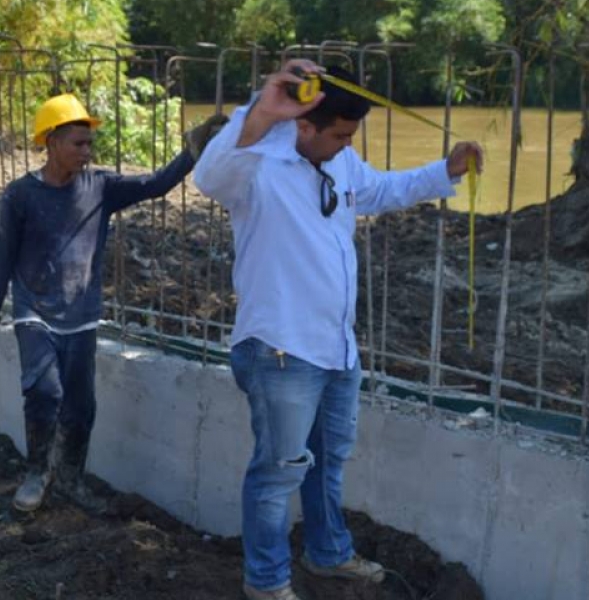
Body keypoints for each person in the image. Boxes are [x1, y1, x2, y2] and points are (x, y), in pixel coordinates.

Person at [193, 60, 484, 600]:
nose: (348, 146)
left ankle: (328, 555)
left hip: (336, 349)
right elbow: (209, 175)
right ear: (304, 126)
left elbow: (384, 190)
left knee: (326, 464)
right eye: (341, 135)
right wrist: (263, 108)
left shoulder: (340, 163)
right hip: (279, 350)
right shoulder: (255, 166)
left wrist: (447, 170)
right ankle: (266, 582)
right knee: (277, 474)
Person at [0, 93, 226, 513]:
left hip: (81, 317)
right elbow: (3, 257)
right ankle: (37, 474)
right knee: (44, 392)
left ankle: (69, 477)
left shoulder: (100, 187)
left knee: (81, 405)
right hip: (35, 312)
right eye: (78, 143)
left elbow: (156, 184)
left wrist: (190, 152)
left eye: (90, 144)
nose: (87, 152)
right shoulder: (21, 196)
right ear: (50, 142)